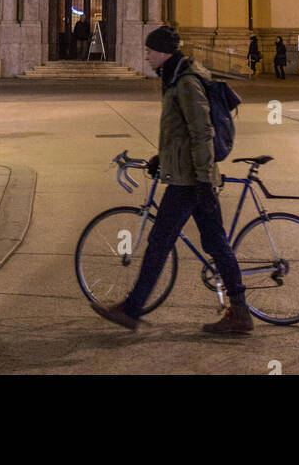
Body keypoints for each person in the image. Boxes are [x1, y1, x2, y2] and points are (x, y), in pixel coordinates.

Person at [93, 24, 252, 335]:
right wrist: (161, 159)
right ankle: (241, 313)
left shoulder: (186, 83)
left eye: (150, 51)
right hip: (187, 175)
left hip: (189, 181)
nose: (147, 56)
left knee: (159, 244)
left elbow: (202, 133)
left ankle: (132, 309)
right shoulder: (175, 79)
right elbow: (179, 135)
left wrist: (205, 181)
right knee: (216, 244)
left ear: (164, 53)